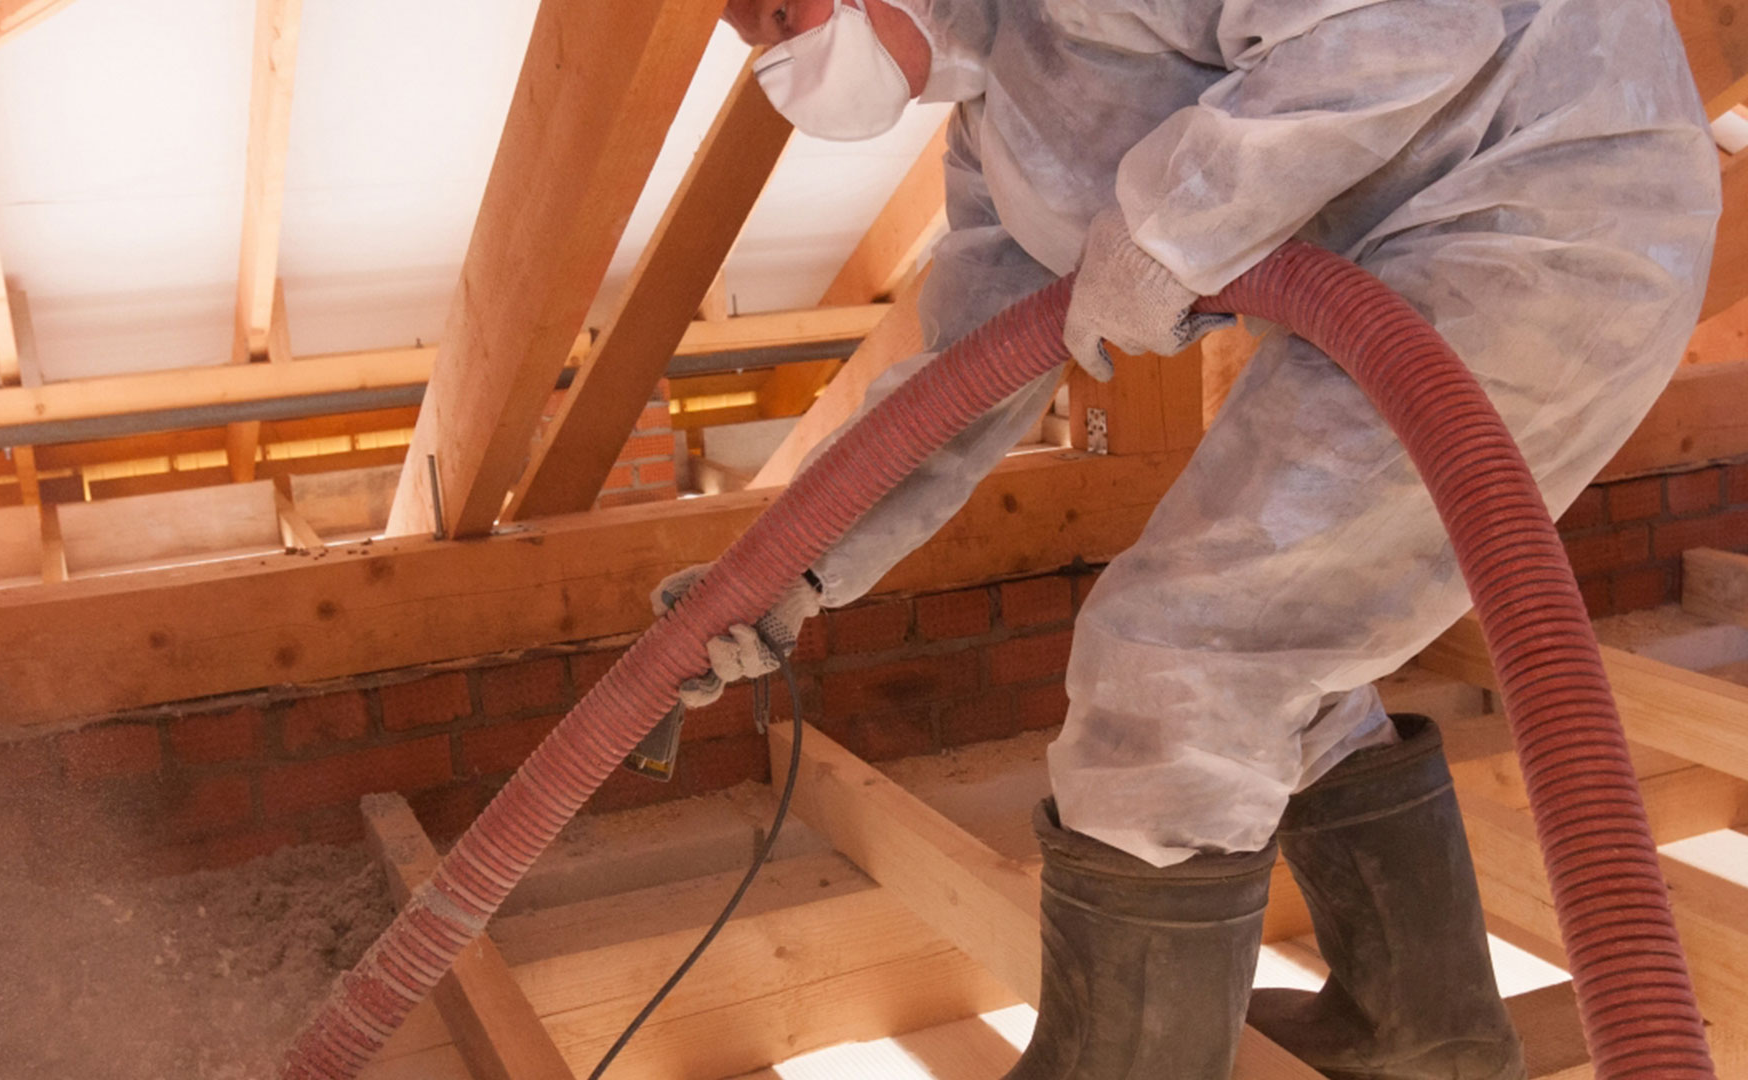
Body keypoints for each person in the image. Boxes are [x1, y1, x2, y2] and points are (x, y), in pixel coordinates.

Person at [660, 1, 1721, 1076]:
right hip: (1417, 269)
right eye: (751, 37)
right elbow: (957, 380)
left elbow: (1405, 21)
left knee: (1176, 656)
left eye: (780, 16)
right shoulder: (997, 130)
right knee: (1270, 662)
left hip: (1545, 212)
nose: (777, 59)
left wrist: (1171, 226)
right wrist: (791, 569)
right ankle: (1416, 1032)